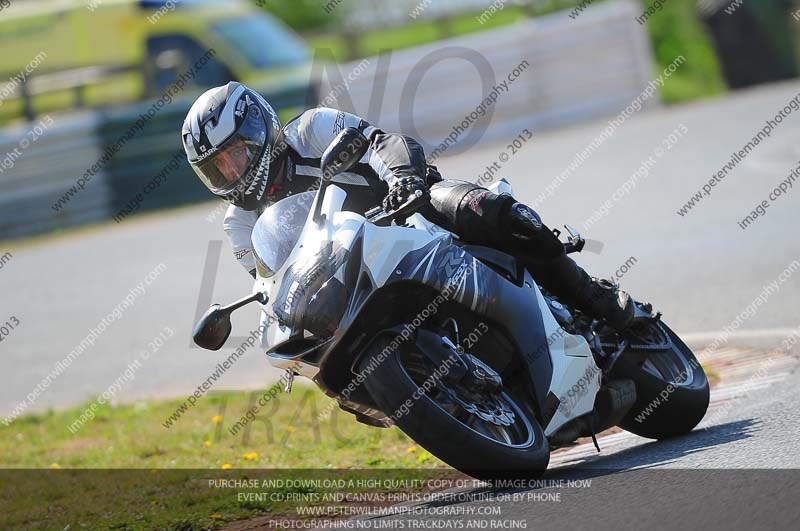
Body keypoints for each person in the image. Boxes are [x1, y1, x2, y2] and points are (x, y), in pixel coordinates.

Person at [181, 82, 633, 330]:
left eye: (236, 151)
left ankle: (593, 296)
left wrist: (402, 180)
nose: (232, 169)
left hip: (412, 214)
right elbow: (271, 283)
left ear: (259, 128)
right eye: (217, 167)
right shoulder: (239, 223)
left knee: (483, 209)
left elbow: (383, 142)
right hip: (352, 273)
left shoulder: (310, 130)